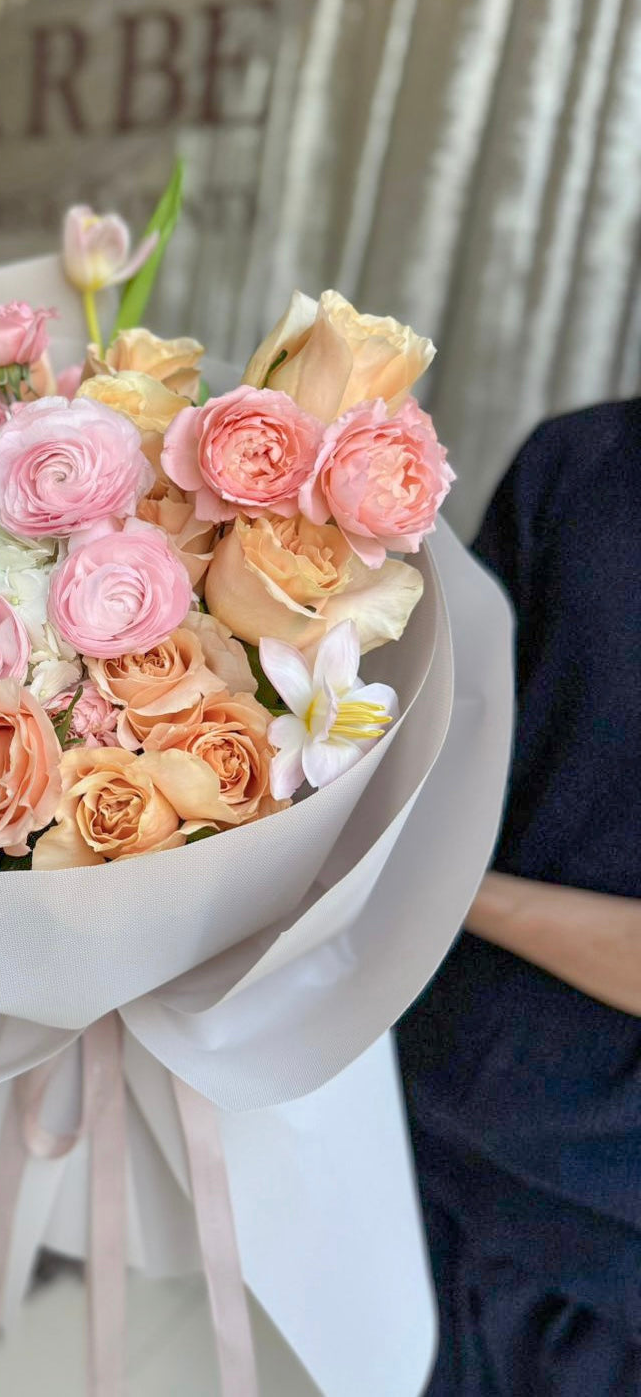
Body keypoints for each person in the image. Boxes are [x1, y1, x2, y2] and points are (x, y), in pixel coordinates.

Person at [397, 397, 641, 1395]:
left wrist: (445, 890)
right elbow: (441, 737)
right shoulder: (579, 459)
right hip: (436, 1118)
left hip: (610, 1233)